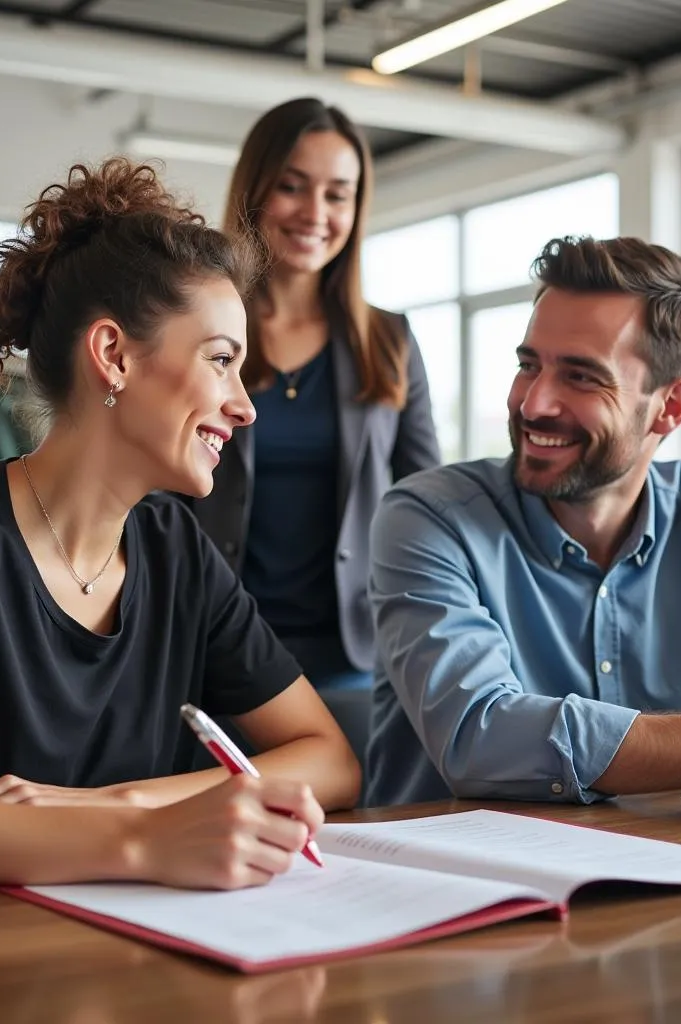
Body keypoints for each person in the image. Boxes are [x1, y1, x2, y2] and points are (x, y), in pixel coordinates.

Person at [0, 157, 360, 890]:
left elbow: (329, 757)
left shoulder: (178, 551)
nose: (245, 405)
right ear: (113, 356)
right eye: (221, 361)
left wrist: (118, 804)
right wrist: (138, 839)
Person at [366, 235, 681, 807]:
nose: (532, 403)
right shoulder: (428, 517)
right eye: (529, 365)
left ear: (670, 407)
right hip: (452, 881)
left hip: (670, 870)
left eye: (581, 376)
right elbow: (481, 738)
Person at [191, 97, 440, 696]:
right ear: (256, 190)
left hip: (352, 658)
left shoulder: (389, 340)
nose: (315, 213)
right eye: (293, 187)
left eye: (337, 194)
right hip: (213, 646)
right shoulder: (201, 328)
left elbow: (427, 501)